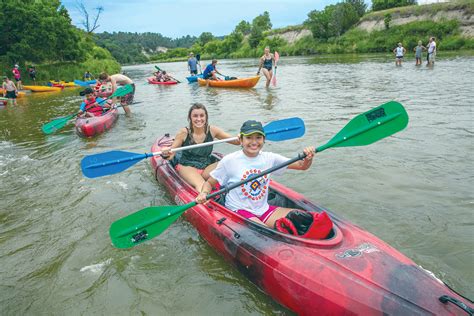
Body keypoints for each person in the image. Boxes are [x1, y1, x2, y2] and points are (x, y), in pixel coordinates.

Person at [195, 120, 333, 239]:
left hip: (263, 209)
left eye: (258, 138)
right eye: (249, 138)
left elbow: (301, 166)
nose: (254, 142)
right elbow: (209, 183)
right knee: (266, 236)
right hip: (238, 210)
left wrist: (308, 157)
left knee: (307, 220)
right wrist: (203, 193)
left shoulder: (269, 158)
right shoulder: (229, 160)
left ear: (264, 140)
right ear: (241, 140)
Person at [161, 103, 240, 191]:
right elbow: (171, 154)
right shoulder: (183, 133)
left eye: (202, 116)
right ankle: (203, 196)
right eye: (195, 116)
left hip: (206, 167)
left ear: (206, 117)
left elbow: (236, 142)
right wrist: (166, 152)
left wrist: (244, 136)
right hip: (187, 166)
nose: (199, 119)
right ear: (190, 118)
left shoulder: (213, 130)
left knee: (229, 161)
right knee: (202, 186)